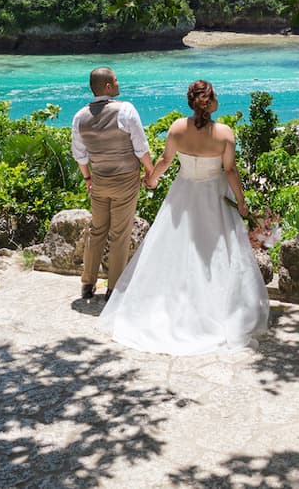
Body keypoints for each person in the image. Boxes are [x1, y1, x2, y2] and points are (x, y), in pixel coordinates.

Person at [99, 80, 270, 355]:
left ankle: (177, 305)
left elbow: (165, 161)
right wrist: (241, 201)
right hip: (214, 197)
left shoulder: (178, 127)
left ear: (192, 103)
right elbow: (230, 171)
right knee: (215, 256)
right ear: (211, 102)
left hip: (183, 195)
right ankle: (214, 309)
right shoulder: (225, 134)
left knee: (175, 253)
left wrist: (152, 179)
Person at [71, 66, 155, 301]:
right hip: (125, 180)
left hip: (98, 180)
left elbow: (80, 155)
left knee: (96, 230)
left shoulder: (80, 116)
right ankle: (113, 289)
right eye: (116, 80)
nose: (119, 84)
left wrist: (88, 178)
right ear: (108, 86)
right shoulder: (125, 110)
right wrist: (150, 172)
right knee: (120, 233)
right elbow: (141, 147)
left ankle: (87, 284)